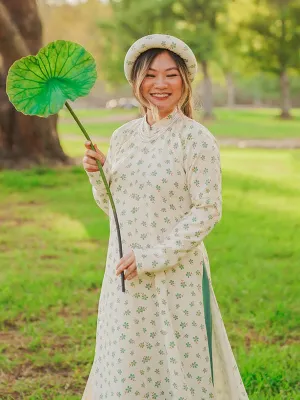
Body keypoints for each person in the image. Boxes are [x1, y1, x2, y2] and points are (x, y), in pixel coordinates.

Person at [81, 34, 249, 400]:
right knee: (127, 361)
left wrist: (152, 257)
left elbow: (207, 210)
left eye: (171, 75)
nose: (160, 84)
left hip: (177, 278)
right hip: (124, 275)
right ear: (136, 81)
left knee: (177, 367)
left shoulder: (196, 139)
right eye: (151, 75)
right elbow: (115, 210)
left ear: (185, 82)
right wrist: (99, 175)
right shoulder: (123, 136)